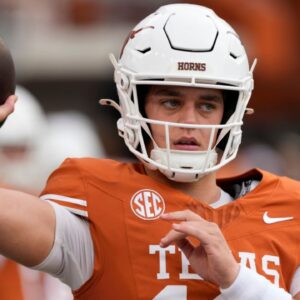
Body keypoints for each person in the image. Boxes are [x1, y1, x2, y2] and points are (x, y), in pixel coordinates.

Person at [0, 3, 299, 300]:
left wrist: (237, 281)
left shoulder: (289, 211)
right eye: (172, 102)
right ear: (136, 104)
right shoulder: (100, 200)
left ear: (230, 113)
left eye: (207, 105)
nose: (189, 121)